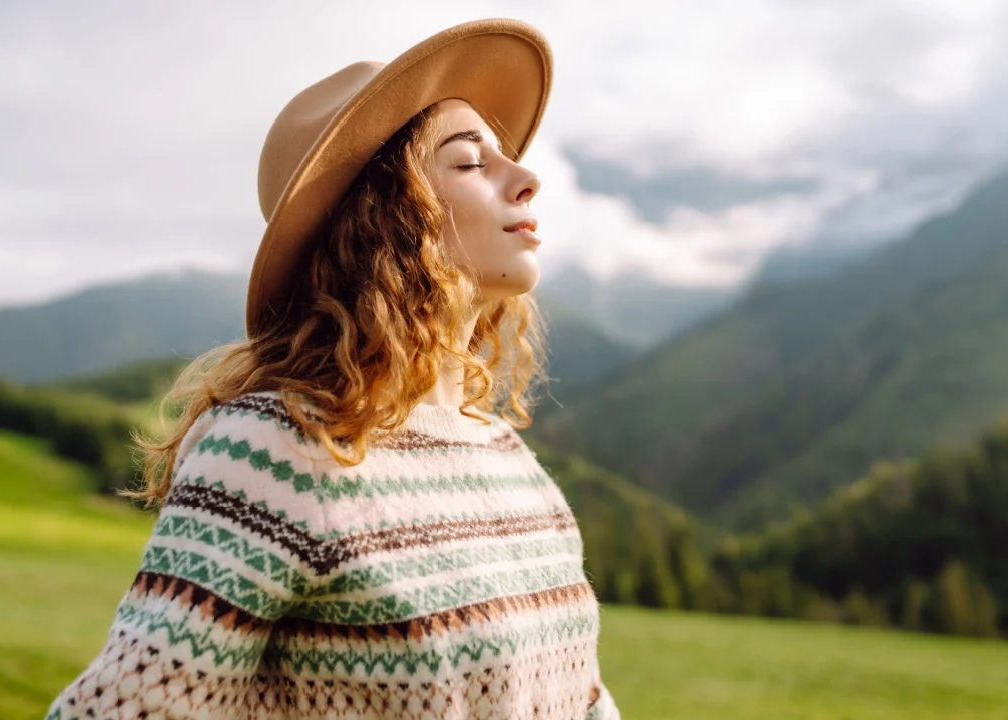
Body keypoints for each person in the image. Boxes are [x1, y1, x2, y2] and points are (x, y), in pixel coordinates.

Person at [46, 17, 621, 720]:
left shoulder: (506, 456)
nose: (529, 179)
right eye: (471, 163)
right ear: (384, 220)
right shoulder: (274, 451)